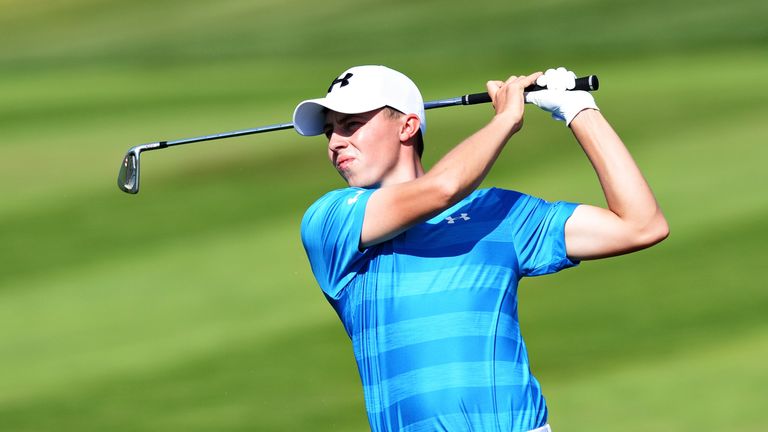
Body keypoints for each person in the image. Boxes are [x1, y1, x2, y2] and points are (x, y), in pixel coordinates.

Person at [292, 65, 668, 432]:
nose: (336, 143)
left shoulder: (496, 213)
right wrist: (505, 119)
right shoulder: (330, 221)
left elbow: (640, 225)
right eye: (329, 131)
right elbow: (442, 189)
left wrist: (579, 110)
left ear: (407, 126)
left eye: (351, 125)